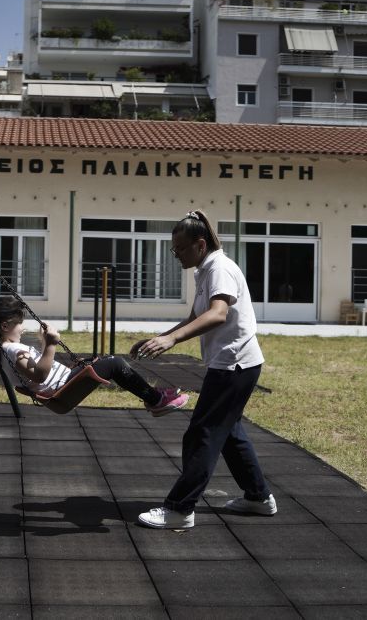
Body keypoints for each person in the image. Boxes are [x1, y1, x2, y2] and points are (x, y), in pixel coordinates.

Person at [134, 210, 275, 529]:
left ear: (200, 245)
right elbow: (195, 317)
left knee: (202, 433)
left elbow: (217, 315)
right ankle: (258, 498)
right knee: (230, 433)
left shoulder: (219, 269)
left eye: (180, 248)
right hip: (236, 363)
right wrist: (161, 337)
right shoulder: (208, 267)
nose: (176, 254)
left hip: (234, 364)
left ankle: (180, 509)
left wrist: (170, 340)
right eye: (174, 249)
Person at [0, 296, 188, 415]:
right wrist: (51, 344)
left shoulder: (6, 350)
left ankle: (151, 395)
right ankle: (156, 399)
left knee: (104, 361)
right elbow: (40, 375)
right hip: (62, 388)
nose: (23, 328)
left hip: (63, 382)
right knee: (114, 363)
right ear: (5, 326)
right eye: (19, 323)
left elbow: (34, 372)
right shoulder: (12, 350)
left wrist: (44, 342)